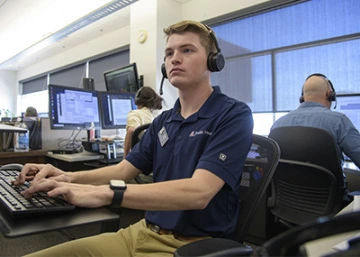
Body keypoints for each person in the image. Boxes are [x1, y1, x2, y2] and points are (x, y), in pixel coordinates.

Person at [15, 20, 253, 257]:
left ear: (213, 61)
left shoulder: (233, 115)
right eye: (169, 53)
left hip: (190, 247)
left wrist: (106, 193)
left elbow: (199, 192)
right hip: (141, 232)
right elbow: (122, 171)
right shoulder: (163, 121)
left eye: (187, 50)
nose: (174, 59)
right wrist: (67, 176)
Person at [271, 74, 360, 169]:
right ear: (329, 95)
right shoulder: (338, 121)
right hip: (328, 184)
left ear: (302, 98)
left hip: (285, 184)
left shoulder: (277, 124)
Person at [123, 86, 162, 158]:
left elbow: (131, 130)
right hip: (156, 158)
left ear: (138, 101)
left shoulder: (135, 113)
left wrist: (125, 157)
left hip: (141, 158)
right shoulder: (159, 115)